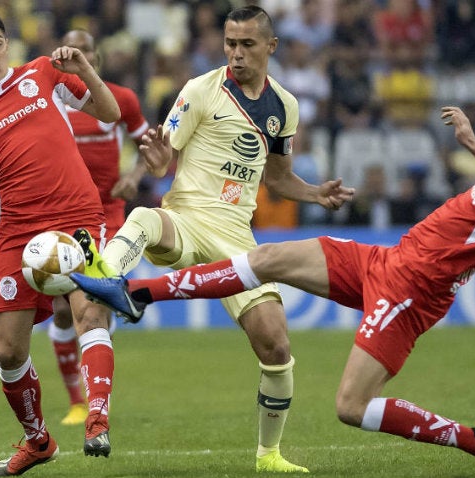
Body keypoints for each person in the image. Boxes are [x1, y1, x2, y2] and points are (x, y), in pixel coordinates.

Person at [73, 79, 475, 477]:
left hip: (410, 291)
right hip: (388, 261)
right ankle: (135, 292)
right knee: (267, 258)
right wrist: (472, 144)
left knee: (351, 407)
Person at [92, 5, 355, 474]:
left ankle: (269, 455)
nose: (236, 54)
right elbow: (161, 159)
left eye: (247, 45)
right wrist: (153, 161)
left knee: (276, 344)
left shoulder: (285, 107)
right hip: (187, 219)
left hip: (236, 233)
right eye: (230, 44)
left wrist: (316, 193)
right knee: (146, 219)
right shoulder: (200, 90)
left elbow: (278, 179)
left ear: (270, 47)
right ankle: (107, 277)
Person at [0, 12, 120, 476]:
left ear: (6, 45)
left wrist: (85, 69)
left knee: (88, 312)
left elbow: (110, 113)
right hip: (18, 231)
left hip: (77, 218)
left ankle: (97, 419)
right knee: (9, 351)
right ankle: (38, 442)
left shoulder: (43, 72)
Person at [47, 29, 149, 427]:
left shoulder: (120, 100)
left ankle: (95, 400)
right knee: (59, 311)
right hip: (59, 210)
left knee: (93, 309)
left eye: (86, 49)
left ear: (96, 59)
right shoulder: (53, 99)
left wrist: (136, 175)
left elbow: (152, 143)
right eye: (71, 48)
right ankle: (76, 401)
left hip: (106, 214)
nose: (78, 54)